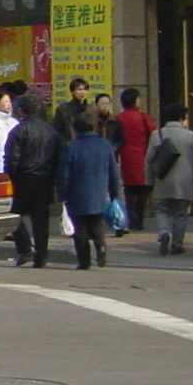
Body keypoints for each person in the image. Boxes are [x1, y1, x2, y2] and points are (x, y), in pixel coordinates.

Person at [4, 93, 63, 269]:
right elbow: (58, 156)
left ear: (21, 111)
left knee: (12, 214)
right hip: (45, 179)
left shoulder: (18, 130)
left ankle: (24, 247)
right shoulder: (51, 131)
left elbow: (12, 158)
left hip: (23, 178)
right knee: (41, 219)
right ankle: (41, 256)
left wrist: (10, 178)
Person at [56, 111, 121, 271]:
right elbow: (113, 172)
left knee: (80, 229)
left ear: (75, 129)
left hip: (76, 194)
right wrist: (115, 194)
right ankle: (101, 247)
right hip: (99, 194)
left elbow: (64, 174)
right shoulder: (105, 145)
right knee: (97, 223)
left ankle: (84, 261)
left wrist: (62, 195)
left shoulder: (70, 147)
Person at [149, 103, 193, 257]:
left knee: (161, 210)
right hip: (184, 183)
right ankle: (177, 244)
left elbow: (149, 160)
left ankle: (163, 233)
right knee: (180, 214)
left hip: (163, 180)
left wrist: (149, 181)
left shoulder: (157, 134)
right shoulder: (191, 136)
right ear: (182, 118)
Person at [112, 88, 157, 234]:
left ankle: (131, 219)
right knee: (143, 190)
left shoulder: (118, 118)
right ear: (136, 100)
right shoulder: (144, 117)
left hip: (126, 157)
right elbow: (154, 134)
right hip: (143, 156)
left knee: (129, 190)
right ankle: (140, 220)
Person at [51, 77, 93, 142]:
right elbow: (56, 130)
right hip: (70, 145)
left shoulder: (92, 109)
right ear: (72, 91)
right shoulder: (63, 109)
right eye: (79, 89)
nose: (82, 92)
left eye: (85, 89)